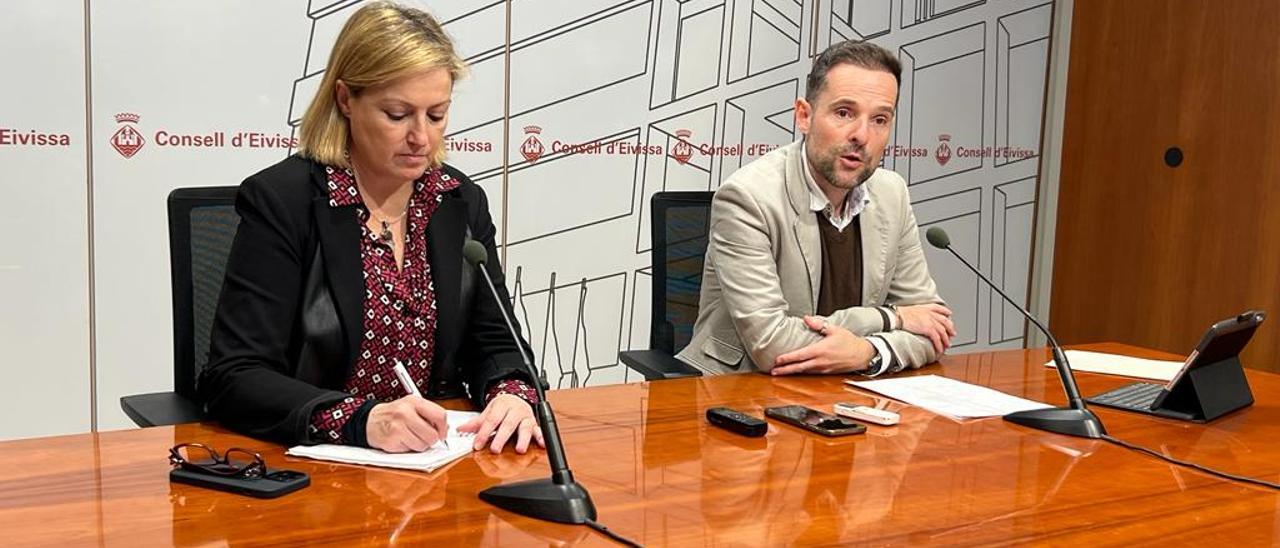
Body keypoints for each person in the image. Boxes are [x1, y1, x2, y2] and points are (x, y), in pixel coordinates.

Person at [198, 2, 542, 455]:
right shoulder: (284, 202)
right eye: (398, 115)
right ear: (345, 100)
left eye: (436, 115)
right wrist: (361, 419)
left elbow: (498, 340)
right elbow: (235, 375)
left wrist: (512, 394)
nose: (421, 137)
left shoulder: (457, 200)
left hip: (436, 466)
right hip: (313, 473)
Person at [677, 40, 955, 377]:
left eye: (880, 119)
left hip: (849, 395)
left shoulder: (891, 193)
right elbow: (771, 344)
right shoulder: (747, 197)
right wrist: (891, 318)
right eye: (844, 113)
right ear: (804, 116)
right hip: (743, 394)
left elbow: (932, 327)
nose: (862, 135)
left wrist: (867, 352)